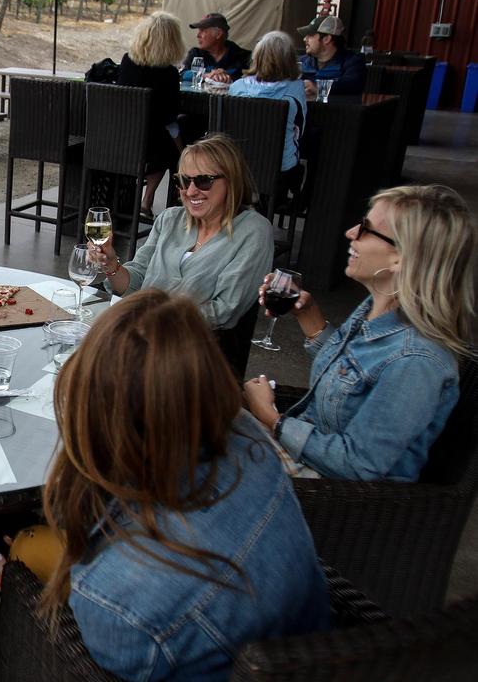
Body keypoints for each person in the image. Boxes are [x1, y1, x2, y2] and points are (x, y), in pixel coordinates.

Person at [39, 289, 329, 679]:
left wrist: (26, 580)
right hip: (315, 649)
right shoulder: (246, 434)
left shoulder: (116, 598)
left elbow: (89, 643)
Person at [244, 185, 475, 481]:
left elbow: (358, 466)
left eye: (366, 228)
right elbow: (352, 373)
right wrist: (308, 315)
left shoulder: (417, 360)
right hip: (301, 455)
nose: (351, 232)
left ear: (400, 259)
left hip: (330, 495)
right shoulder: (376, 310)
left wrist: (272, 419)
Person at [93, 134, 273, 331]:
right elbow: (134, 285)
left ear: (231, 181)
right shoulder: (170, 219)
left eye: (204, 181)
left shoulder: (253, 231)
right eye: (184, 181)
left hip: (190, 349)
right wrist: (111, 264)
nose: (191, 191)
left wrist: (153, 319)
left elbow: (223, 310)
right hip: (139, 332)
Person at [117, 11, 185, 219]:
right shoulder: (169, 74)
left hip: (118, 141)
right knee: (172, 148)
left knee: (162, 141)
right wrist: (184, 151)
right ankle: (148, 201)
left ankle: (132, 200)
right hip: (148, 148)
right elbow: (170, 121)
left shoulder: (127, 62)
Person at [228, 31, 307, 201]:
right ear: (290, 60)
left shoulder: (237, 87)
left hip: (235, 165)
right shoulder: (295, 89)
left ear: (256, 57)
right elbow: (300, 130)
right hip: (279, 169)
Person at [298, 14, 366, 98]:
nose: (305, 39)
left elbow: (351, 85)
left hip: (336, 110)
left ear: (326, 39)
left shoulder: (353, 63)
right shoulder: (301, 62)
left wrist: (318, 87)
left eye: (310, 35)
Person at [181, 12, 252, 83]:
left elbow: (253, 78)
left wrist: (227, 75)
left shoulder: (243, 56)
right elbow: (182, 74)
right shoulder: (196, 53)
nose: (198, 35)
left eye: (202, 31)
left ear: (218, 34)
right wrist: (206, 75)